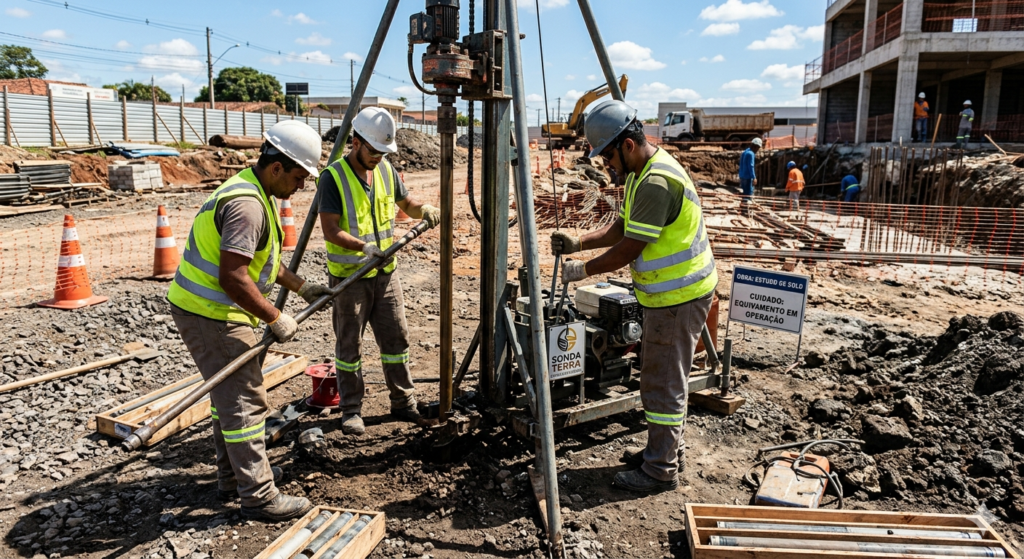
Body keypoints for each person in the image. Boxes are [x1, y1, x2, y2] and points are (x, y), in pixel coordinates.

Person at [550, 100, 717, 494]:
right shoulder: (645, 170)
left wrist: (582, 271)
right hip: (670, 297)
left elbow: (629, 248)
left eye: (607, 154)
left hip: (679, 298)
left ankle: (660, 469)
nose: (605, 164)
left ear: (626, 144)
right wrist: (580, 241)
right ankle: (661, 452)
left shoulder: (656, 181)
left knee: (663, 384)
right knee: (658, 379)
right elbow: (622, 227)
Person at [167, 120, 329, 521]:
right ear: (277, 167)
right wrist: (275, 316)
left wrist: (303, 287)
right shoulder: (248, 205)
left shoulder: (257, 190)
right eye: (298, 177)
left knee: (227, 399)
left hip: (212, 309)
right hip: (212, 313)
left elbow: (262, 261)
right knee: (244, 401)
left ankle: (229, 477)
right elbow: (234, 276)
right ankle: (258, 496)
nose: (302, 187)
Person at [318, 107, 441, 435]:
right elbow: (330, 229)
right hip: (351, 278)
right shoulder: (333, 177)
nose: (378, 157)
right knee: (350, 347)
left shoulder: (386, 169)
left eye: (384, 152)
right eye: (373, 150)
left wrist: (423, 209)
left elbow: (406, 203)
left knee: (396, 338)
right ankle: (351, 409)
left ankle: (403, 402)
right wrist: (363, 247)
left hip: (386, 274)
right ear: (356, 142)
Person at [738, 138, 761, 203]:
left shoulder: (745, 152)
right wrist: (754, 177)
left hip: (742, 176)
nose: (757, 150)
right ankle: (747, 209)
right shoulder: (751, 154)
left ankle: (744, 208)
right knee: (748, 196)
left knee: (745, 193)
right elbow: (751, 166)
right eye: (758, 148)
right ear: (755, 146)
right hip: (748, 178)